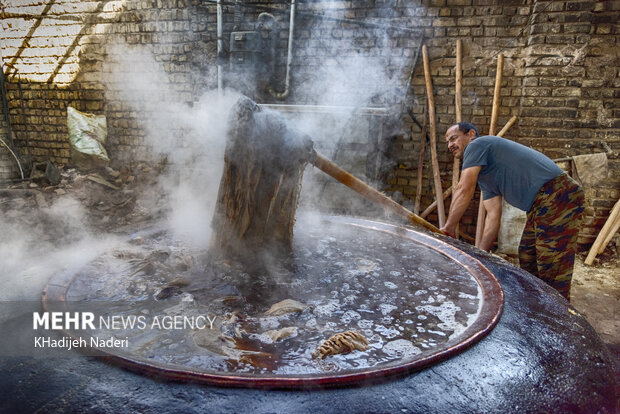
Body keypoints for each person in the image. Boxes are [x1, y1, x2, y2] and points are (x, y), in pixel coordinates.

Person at [440, 122, 584, 301]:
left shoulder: (478, 144)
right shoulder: (486, 177)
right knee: (528, 255)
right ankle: (536, 305)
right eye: (447, 142)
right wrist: (480, 256)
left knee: (552, 265)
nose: (450, 145)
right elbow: (493, 216)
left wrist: (449, 227)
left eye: (453, 138)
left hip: (558, 193)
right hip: (539, 205)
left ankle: (560, 316)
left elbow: (463, 189)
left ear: (470, 134)